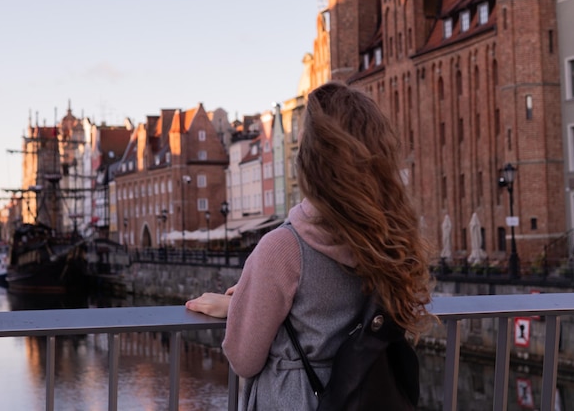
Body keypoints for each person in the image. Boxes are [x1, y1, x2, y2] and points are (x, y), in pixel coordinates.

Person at [186, 82, 433, 410]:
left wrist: (243, 309)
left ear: (310, 164)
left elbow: (243, 359)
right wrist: (249, 303)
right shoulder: (387, 239)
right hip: (366, 395)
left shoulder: (284, 248)